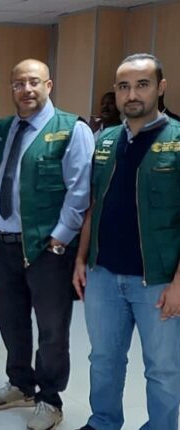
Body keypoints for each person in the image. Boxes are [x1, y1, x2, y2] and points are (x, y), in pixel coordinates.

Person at [0, 59, 94, 430]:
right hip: (5, 244)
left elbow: (80, 191)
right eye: (18, 83)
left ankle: (49, 399)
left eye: (33, 82)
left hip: (47, 249)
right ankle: (21, 384)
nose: (26, 90)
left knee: (52, 329)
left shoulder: (72, 129)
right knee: (9, 319)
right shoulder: (4, 129)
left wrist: (59, 239)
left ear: (48, 85)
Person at [73, 53, 180, 430]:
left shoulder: (177, 141)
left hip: (158, 281)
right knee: (103, 360)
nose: (132, 94)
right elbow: (93, 207)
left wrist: (179, 284)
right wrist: (81, 259)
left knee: (163, 368)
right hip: (103, 275)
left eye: (142, 85)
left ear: (160, 88)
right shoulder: (105, 141)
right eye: (124, 87)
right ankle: (103, 422)